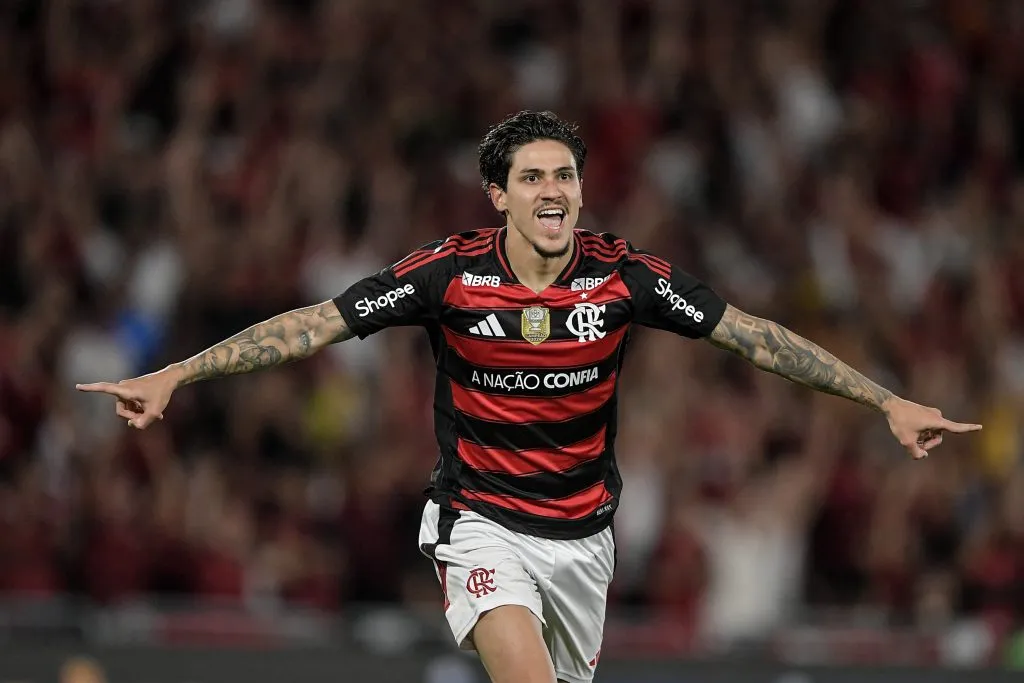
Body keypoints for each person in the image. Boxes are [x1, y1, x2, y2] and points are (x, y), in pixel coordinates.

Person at [77, 111, 982, 683]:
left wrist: (884, 400)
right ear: (498, 194)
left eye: (566, 176)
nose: (555, 191)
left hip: (584, 541)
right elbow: (315, 323)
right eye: (535, 177)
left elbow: (757, 338)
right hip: (481, 522)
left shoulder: (625, 276)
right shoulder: (449, 273)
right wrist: (178, 372)